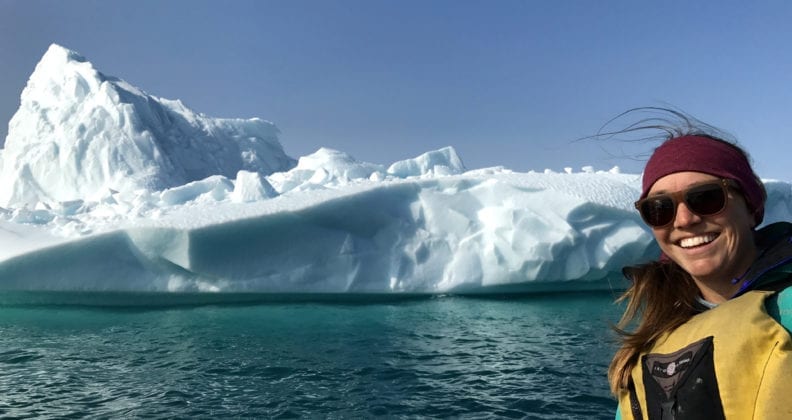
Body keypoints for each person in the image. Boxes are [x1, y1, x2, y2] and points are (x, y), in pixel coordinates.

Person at [609, 122, 792, 419]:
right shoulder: (648, 348)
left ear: (751, 206)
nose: (683, 220)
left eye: (706, 198)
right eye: (659, 208)